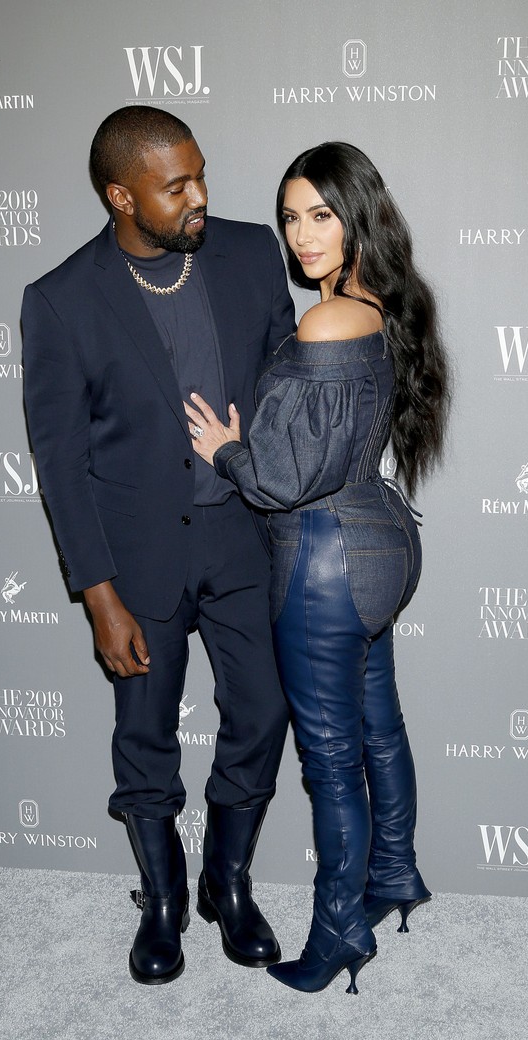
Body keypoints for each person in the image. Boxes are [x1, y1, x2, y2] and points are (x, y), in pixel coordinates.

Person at [21, 106, 295, 985]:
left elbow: (291, 386)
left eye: (201, 173)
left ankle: (228, 877)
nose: (200, 195)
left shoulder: (251, 255)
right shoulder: (61, 300)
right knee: (145, 735)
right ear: (121, 195)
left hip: (245, 537)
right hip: (138, 558)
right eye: (176, 184)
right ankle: (164, 897)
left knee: (262, 712)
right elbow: (60, 463)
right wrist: (98, 594)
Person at [184, 142, 450, 994]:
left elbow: (280, 476)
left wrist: (229, 452)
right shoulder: (380, 302)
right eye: (291, 217)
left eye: (321, 215)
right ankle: (394, 876)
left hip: (324, 560)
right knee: (380, 729)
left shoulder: (328, 319)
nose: (302, 236)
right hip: (381, 541)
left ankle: (339, 934)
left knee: (332, 759)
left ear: (358, 214)